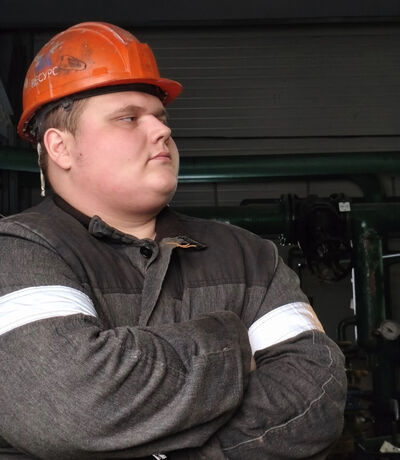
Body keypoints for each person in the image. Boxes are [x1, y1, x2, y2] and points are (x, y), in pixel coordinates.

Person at [0, 22, 346, 459]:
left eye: (160, 118)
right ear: (60, 147)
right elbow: (71, 407)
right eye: (129, 118)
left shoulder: (249, 256)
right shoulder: (18, 250)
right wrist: (234, 345)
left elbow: (315, 399)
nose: (161, 131)